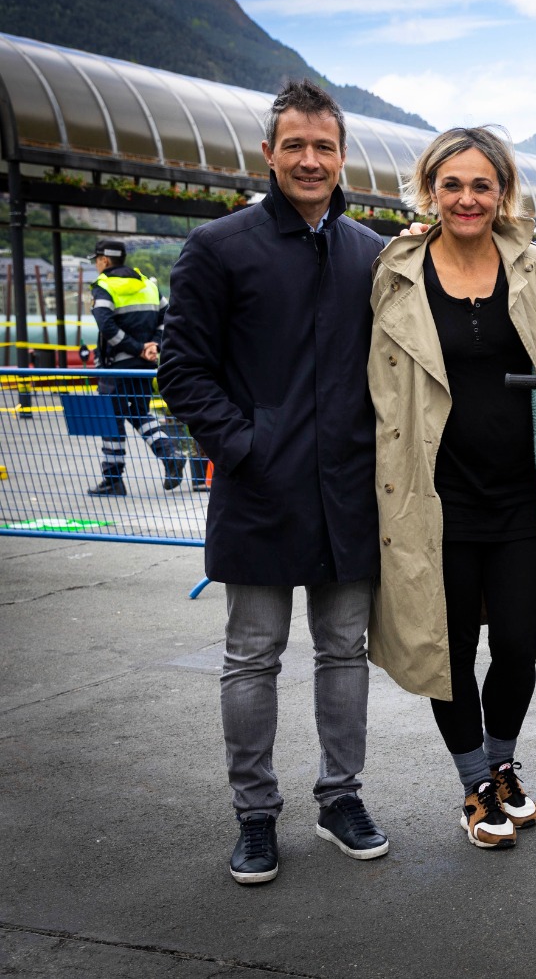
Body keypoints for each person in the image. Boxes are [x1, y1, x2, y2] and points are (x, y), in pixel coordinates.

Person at [161, 80, 390, 885]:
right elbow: (182, 369)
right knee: (252, 656)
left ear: (342, 155)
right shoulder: (218, 247)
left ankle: (341, 798)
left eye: (323, 146)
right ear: (268, 153)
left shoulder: (371, 253)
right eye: (294, 145)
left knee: (344, 652)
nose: (309, 159)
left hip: (348, 492)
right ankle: (255, 815)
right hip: (259, 488)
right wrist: (245, 447)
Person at [367, 126, 536, 849]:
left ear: (503, 192)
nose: (466, 198)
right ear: (430, 191)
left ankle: (503, 764)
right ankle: (475, 783)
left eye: (481, 185)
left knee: (518, 645)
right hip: (435, 497)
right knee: (450, 649)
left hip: (524, 493)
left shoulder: (535, 269)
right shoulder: (395, 271)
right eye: (452, 184)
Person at [84, 237, 185, 496]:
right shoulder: (148, 284)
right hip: (143, 366)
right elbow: (168, 316)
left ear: (104, 260)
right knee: (139, 412)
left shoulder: (104, 286)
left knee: (112, 419)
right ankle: (170, 455)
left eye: (97, 260)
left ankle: (113, 479)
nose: (96, 265)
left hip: (115, 368)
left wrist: (137, 347)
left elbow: (106, 326)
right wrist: (153, 345)